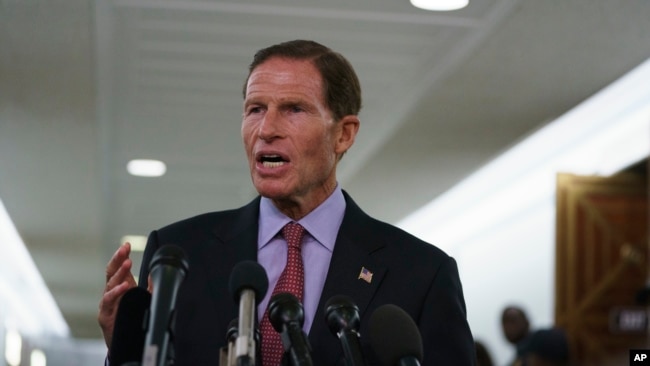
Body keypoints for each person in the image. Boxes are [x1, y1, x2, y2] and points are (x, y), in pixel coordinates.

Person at [98, 39, 475, 366]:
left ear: (344, 134)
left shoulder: (421, 274)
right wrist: (123, 347)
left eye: (293, 109)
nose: (267, 129)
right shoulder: (178, 255)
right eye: (255, 108)